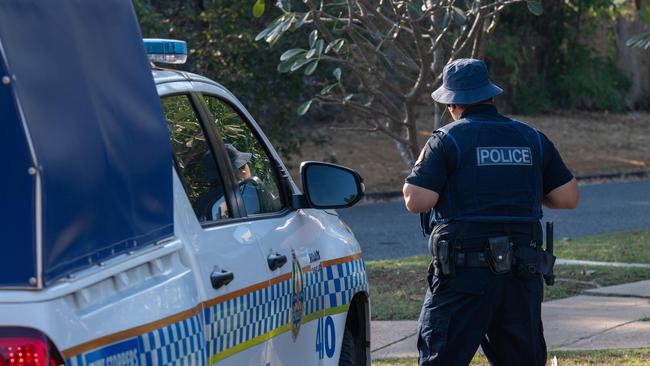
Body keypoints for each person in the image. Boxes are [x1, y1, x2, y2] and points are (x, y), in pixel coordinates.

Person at [402, 58, 579, 366]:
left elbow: (416, 200)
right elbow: (567, 197)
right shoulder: (532, 137)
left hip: (463, 277)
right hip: (521, 276)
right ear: (490, 96)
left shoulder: (446, 139)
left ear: (452, 104)